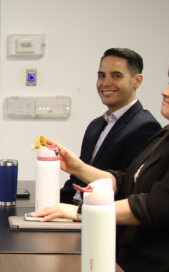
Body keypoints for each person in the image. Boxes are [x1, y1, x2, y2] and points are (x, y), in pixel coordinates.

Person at [34, 56, 169, 272]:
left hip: (164, 270)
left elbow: (157, 207)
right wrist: (78, 167)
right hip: (133, 255)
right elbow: (129, 182)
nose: (165, 91)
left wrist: (82, 211)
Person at [60, 47, 161, 202]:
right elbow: (76, 180)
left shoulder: (146, 127)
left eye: (116, 76)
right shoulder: (95, 125)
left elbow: (130, 189)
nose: (105, 83)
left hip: (104, 218)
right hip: (75, 213)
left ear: (137, 81)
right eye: (101, 75)